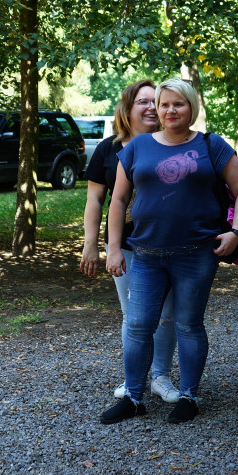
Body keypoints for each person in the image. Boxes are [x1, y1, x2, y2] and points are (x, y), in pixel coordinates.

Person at [101, 78, 238, 425]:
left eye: (178, 104)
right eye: (163, 104)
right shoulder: (138, 146)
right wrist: (113, 248)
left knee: (188, 324)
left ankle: (189, 395)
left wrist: (235, 232)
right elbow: (118, 199)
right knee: (139, 325)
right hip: (145, 255)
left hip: (197, 254)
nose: (169, 111)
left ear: (191, 108)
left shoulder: (211, 145)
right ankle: (134, 398)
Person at [78, 80, 180, 404]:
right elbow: (95, 200)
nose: (151, 107)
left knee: (167, 314)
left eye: (157, 101)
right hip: (125, 247)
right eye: (143, 101)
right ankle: (132, 380)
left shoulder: (173, 144)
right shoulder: (109, 149)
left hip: (169, 245)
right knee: (133, 316)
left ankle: (161, 378)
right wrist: (92, 244)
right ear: (128, 107)